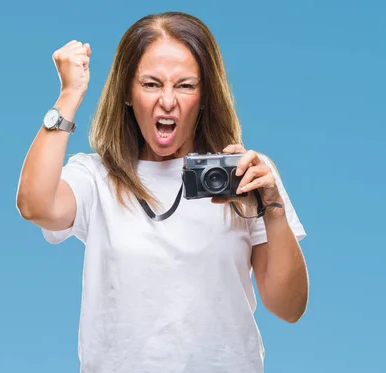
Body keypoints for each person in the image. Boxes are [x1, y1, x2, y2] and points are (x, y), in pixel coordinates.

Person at [16, 11, 309, 373]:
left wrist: (273, 209)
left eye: (185, 85)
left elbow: (289, 307)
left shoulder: (244, 173)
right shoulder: (95, 176)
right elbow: (35, 205)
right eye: (151, 84)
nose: (167, 101)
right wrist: (69, 94)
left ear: (204, 95)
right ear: (127, 92)